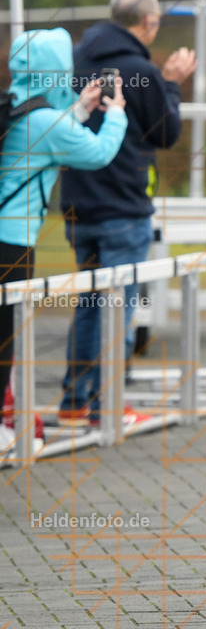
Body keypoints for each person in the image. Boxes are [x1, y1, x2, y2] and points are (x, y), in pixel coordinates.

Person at [59, 0, 196, 426]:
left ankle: (75, 400)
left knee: (91, 301)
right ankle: (108, 403)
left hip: (79, 205)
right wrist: (171, 85)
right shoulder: (142, 69)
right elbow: (165, 133)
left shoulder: (76, 59)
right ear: (149, 22)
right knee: (116, 305)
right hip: (123, 207)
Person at [0, 28, 127, 460]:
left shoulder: (17, 106)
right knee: (4, 338)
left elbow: (42, 140)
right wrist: (116, 114)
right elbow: (97, 153)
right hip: (12, 245)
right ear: (57, 72)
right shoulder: (47, 122)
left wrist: (76, 110)